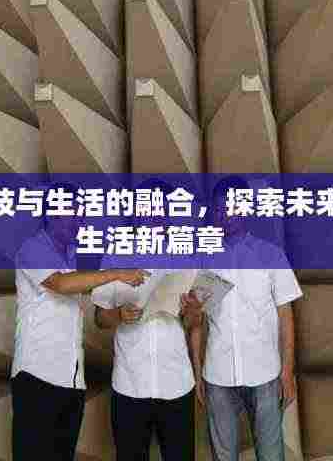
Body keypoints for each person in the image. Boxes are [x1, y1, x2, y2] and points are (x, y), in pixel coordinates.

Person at [11, 183, 148, 461]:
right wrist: (116, 274)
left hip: (71, 381)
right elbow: (60, 284)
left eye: (80, 213)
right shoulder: (32, 248)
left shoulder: (71, 255)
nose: (78, 219)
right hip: (37, 377)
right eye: (72, 212)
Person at [189, 176, 302, 461]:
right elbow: (196, 321)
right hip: (217, 375)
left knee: (271, 454)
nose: (224, 215)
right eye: (219, 209)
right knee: (223, 456)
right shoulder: (205, 258)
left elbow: (286, 317)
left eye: (231, 207)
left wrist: (287, 371)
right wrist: (197, 372)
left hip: (265, 374)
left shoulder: (271, 255)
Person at [92, 269, 203, 461]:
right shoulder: (114, 259)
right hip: (129, 385)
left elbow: (191, 323)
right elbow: (99, 318)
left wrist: (193, 312)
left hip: (177, 384)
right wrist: (119, 314)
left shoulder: (185, 262)